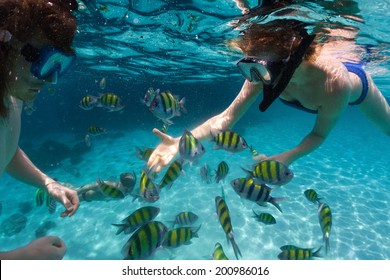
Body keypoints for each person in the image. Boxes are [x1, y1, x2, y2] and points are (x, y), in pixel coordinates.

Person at [147, 6, 390, 173]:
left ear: (290, 62)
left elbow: (318, 135)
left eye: (259, 72)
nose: (254, 79)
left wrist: (287, 157)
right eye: (248, 68)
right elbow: (225, 119)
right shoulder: (261, 71)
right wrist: (178, 143)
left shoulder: (334, 85)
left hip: (357, 87)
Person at [0, 0, 80, 259]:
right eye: (44, 59)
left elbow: (6, 149)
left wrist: (47, 182)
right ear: (4, 42)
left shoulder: (12, 95)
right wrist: (22, 258)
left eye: (60, 63)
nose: (51, 77)